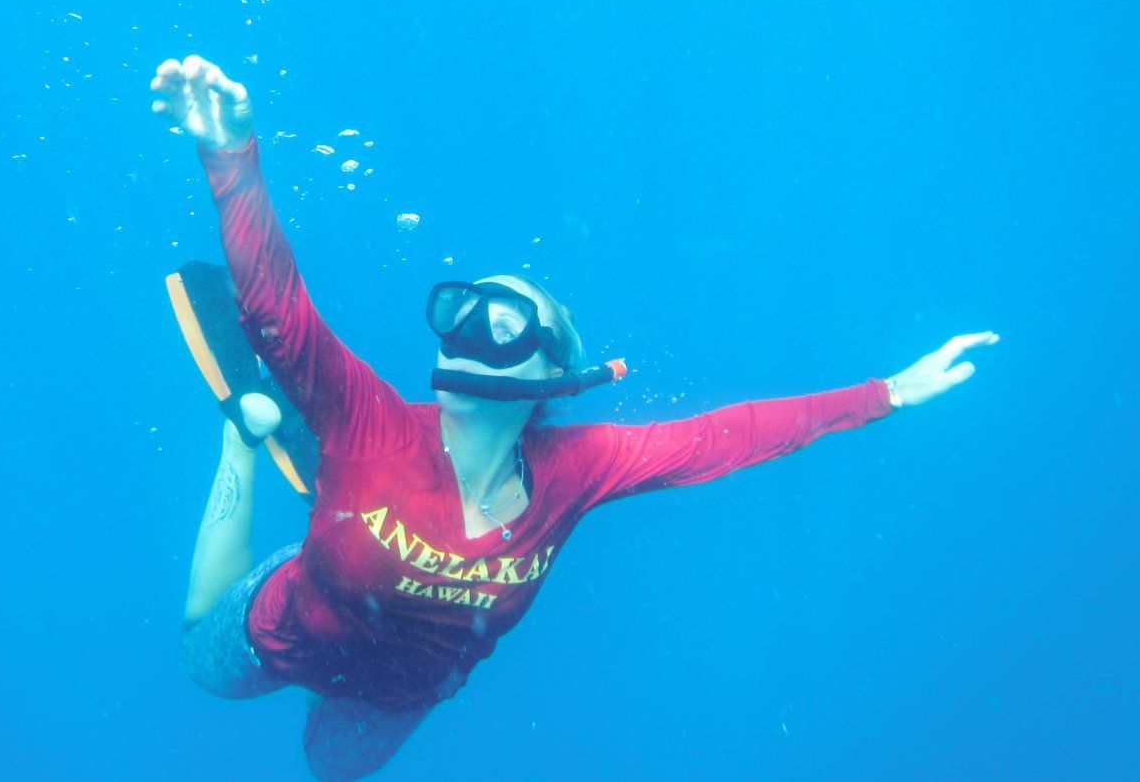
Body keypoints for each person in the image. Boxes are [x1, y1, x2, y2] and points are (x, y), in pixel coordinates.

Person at [151, 53, 999, 781]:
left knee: (329, 767)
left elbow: (730, 436)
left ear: (557, 374)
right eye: (461, 310)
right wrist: (232, 157)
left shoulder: (578, 464)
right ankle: (246, 436)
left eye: (507, 321)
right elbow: (276, 315)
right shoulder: (374, 419)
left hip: (393, 693)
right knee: (197, 660)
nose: (474, 328)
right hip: (282, 629)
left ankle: (310, 482)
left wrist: (886, 394)